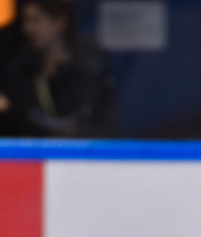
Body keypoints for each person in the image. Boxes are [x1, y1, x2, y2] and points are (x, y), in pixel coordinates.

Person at [0, 0, 118, 138]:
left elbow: (96, 119)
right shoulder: (22, 67)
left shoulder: (89, 65)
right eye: (25, 21)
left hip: (85, 151)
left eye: (36, 20)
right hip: (36, 151)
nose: (28, 28)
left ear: (59, 21)